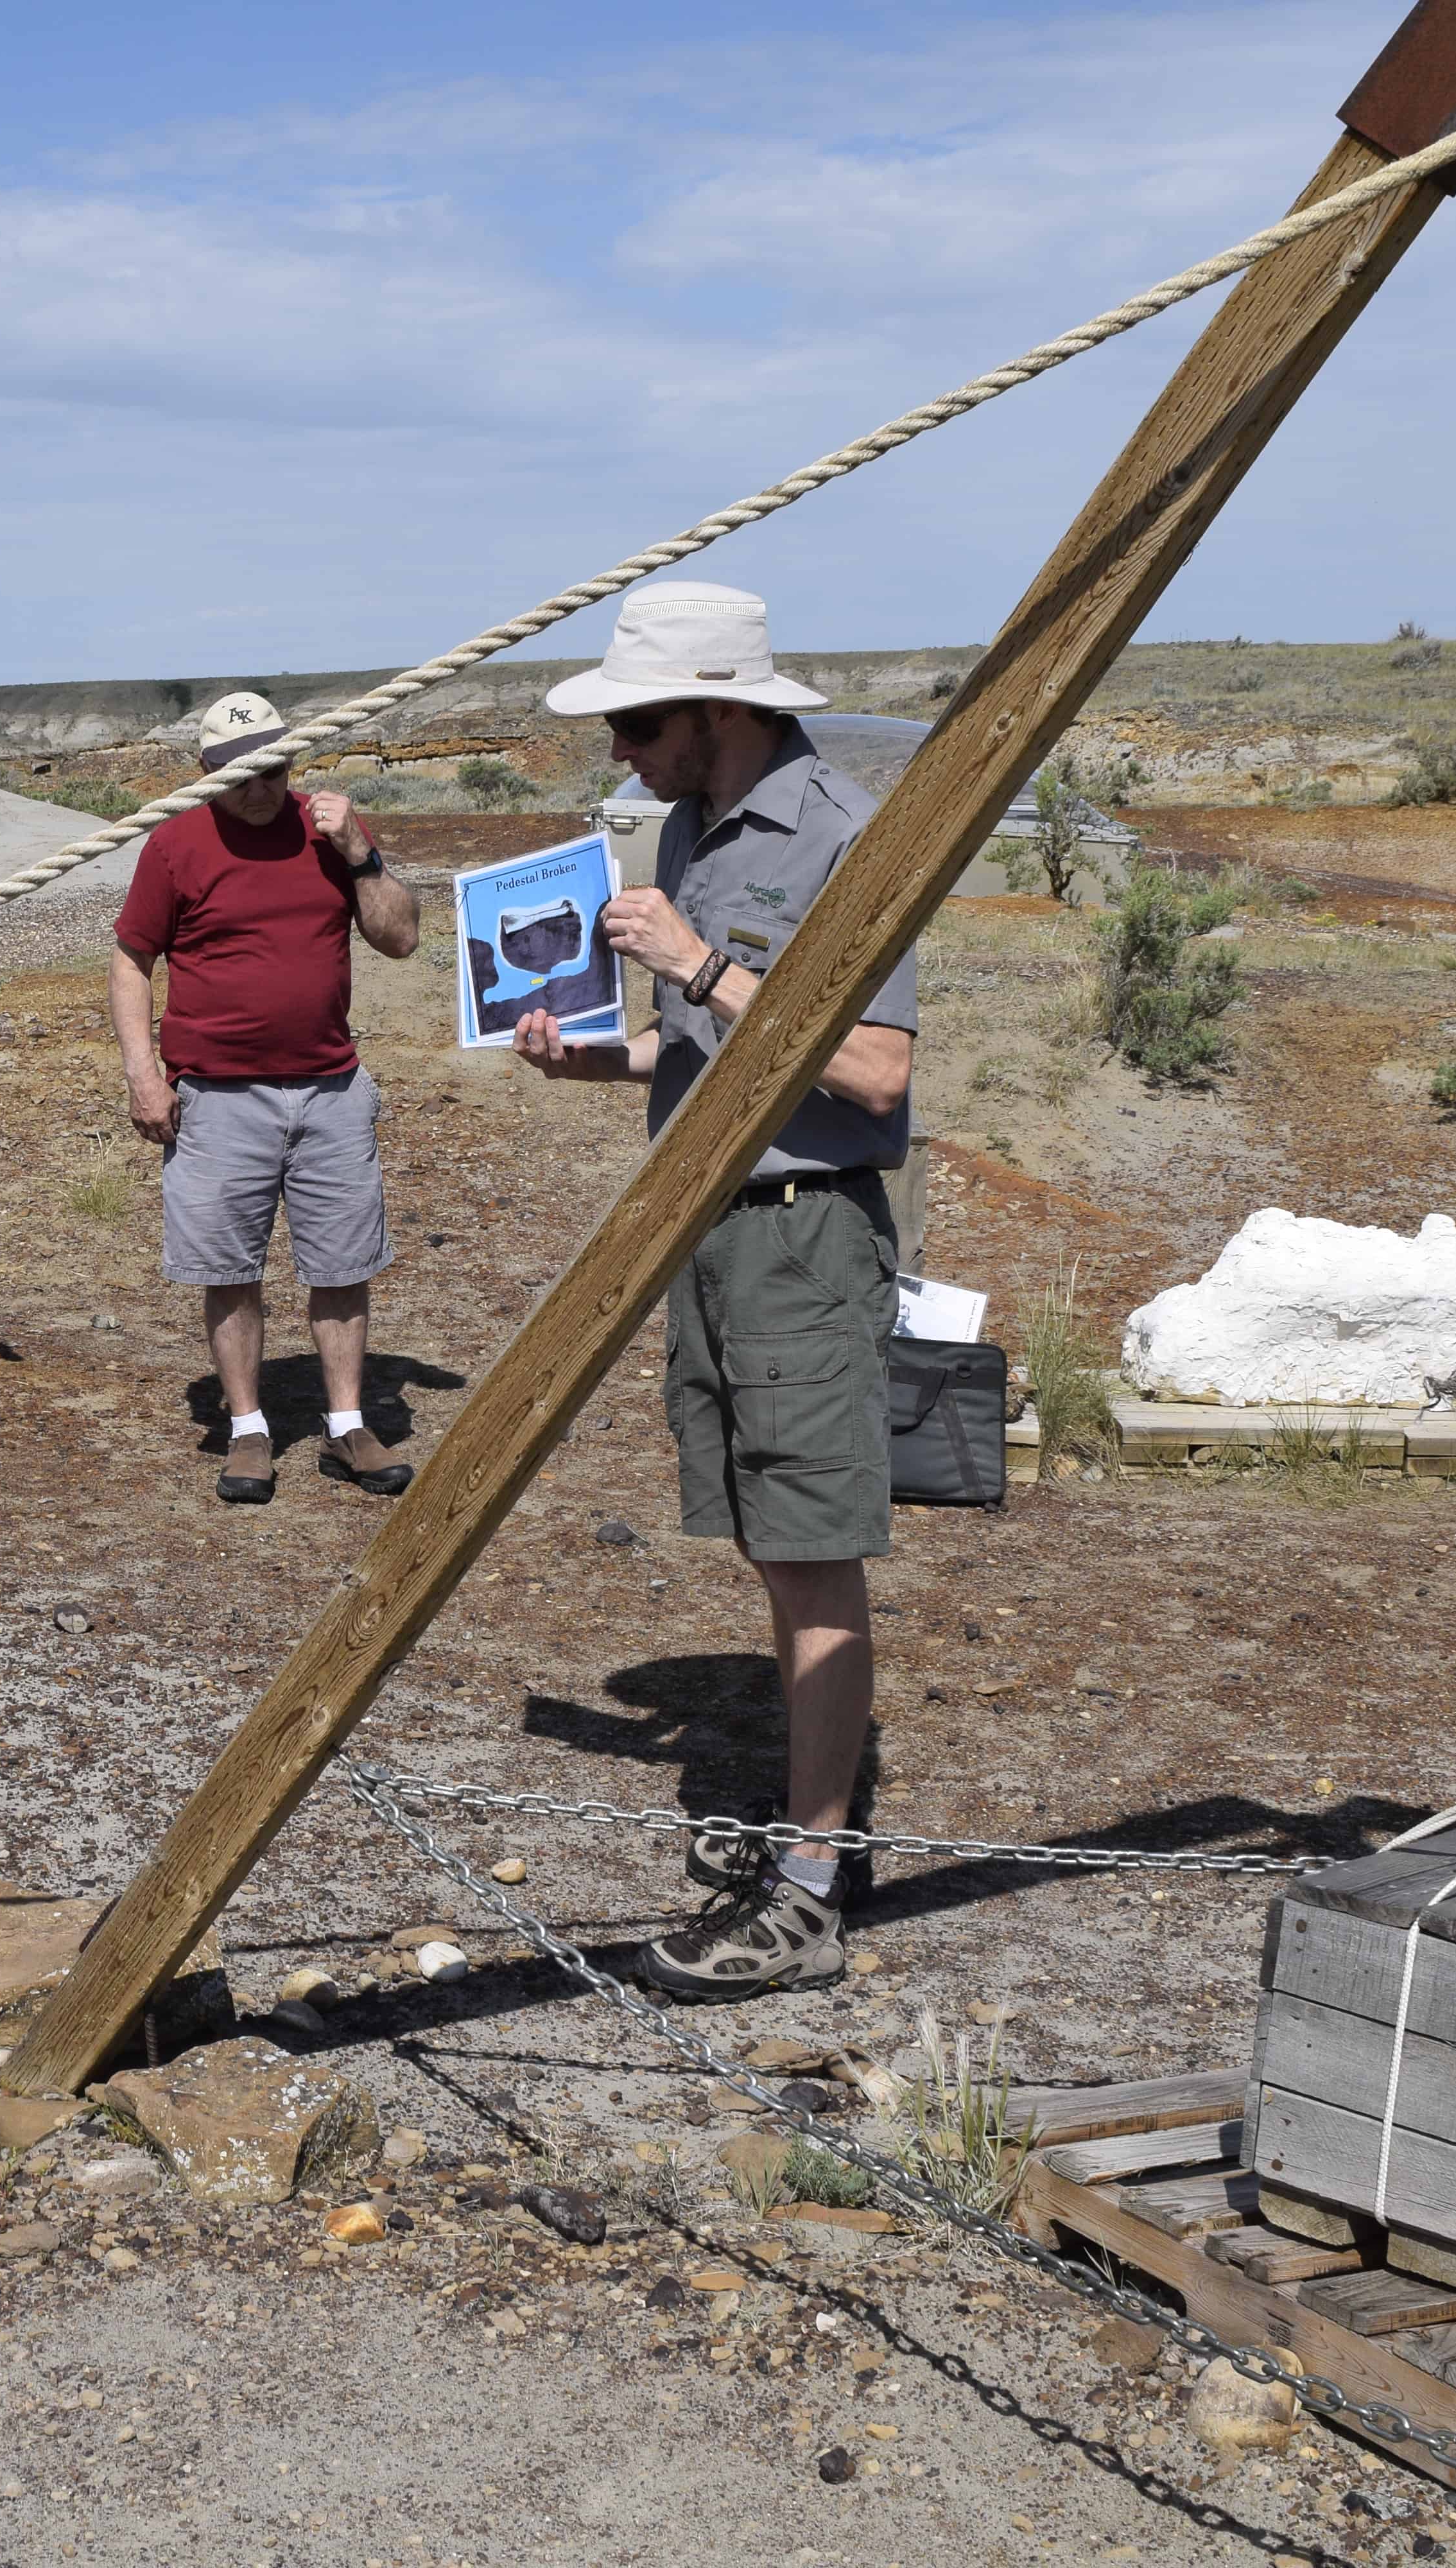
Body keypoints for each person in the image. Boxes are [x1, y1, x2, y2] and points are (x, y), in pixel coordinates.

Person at [512, 583, 915, 2000]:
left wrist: (695, 960)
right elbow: (714, 1048)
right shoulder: (691, 828)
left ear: (719, 708)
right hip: (717, 1223)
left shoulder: (846, 837)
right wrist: (600, 1060)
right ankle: (821, 1832)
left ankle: (808, 1890)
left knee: (812, 1551)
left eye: (636, 719)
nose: (621, 747)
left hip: (804, 1231)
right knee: (769, 1541)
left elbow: (871, 1070)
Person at [110, 691, 424, 1505]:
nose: (261, 788)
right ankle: (249, 1431)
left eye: (275, 768)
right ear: (208, 774)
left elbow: (400, 937)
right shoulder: (176, 844)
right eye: (242, 774)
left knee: (343, 1263)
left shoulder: (327, 833)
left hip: (331, 1089)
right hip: (217, 1097)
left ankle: (347, 1423)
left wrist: (359, 850)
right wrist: (144, 1072)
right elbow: (131, 961)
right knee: (228, 1267)